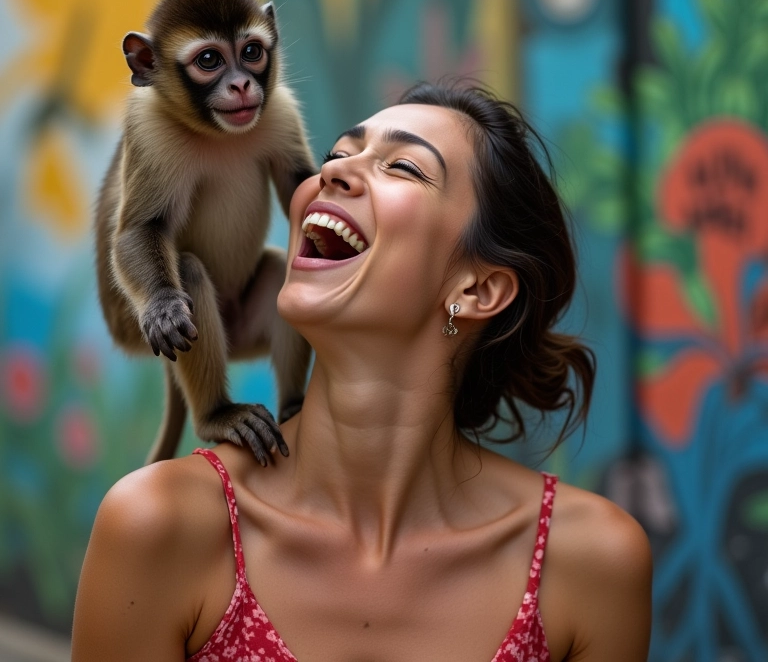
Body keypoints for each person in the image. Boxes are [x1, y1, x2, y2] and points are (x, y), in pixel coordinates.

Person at [72, 83, 652, 661]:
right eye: (338, 155)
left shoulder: (588, 563)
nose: (333, 174)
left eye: (403, 166)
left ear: (478, 289)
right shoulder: (160, 528)